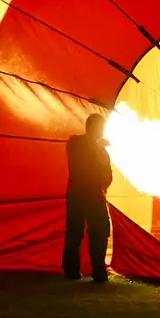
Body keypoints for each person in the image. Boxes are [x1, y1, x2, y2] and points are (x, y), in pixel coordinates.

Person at [62, 112, 113, 283]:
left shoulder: (98, 148)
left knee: (94, 232)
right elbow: (87, 161)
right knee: (80, 232)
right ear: (93, 127)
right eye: (101, 127)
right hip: (83, 194)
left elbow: (107, 175)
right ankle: (75, 270)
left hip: (88, 194)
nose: (103, 131)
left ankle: (95, 271)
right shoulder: (77, 142)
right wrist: (99, 147)